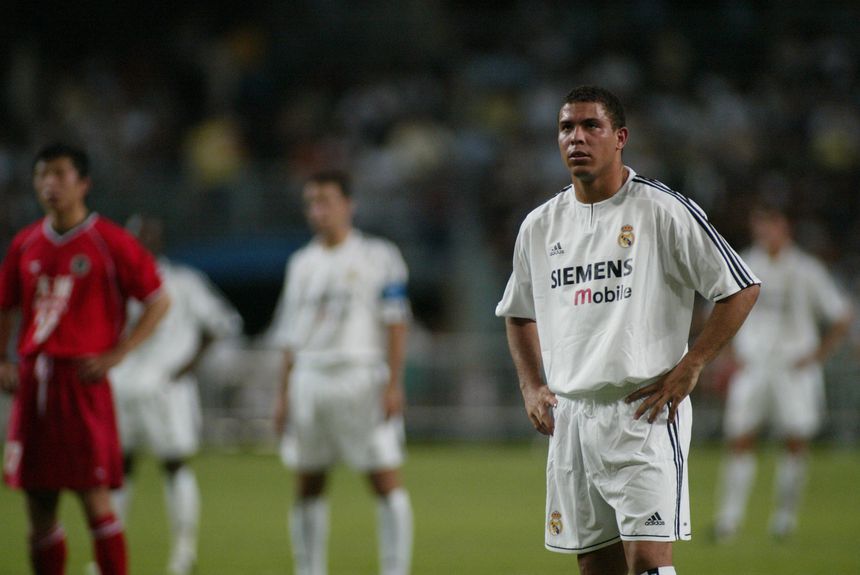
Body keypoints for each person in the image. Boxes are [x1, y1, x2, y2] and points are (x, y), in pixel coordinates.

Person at [495, 86, 760, 575]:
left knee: (649, 566)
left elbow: (740, 287)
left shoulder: (662, 210)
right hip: (573, 419)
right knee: (598, 569)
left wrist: (693, 363)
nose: (576, 137)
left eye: (590, 126)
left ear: (620, 138)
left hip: (645, 411)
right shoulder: (539, 225)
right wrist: (531, 385)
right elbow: (518, 311)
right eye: (566, 127)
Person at [0, 143, 170, 575]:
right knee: (38, 503)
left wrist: (119, 352)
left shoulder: (109, 241)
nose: (49, 184)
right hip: (34, 383)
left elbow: (157, 299)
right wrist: (2, 360)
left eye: (59, 174)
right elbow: (6, 305)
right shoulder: (26, 243)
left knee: (94, 497)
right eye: (42, 176)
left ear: (83, 183)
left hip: (81, 383)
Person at [270, 170, 413, 575]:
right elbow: (289, 336)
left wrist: (394, 383)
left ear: (349, 204)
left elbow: (396, 322)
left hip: (361, 374)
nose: (318, 210)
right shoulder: (301, 263)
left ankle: (395, 569)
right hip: (309, 379)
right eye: (312, 202)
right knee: (308, 482)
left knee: (384, 479)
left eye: (326, 200)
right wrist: (281, 395)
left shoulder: (379, 256)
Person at [108, 214, 243, 574]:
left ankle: (184, 553)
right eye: (134, 237)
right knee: (119, 468)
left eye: (146, 236)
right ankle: (109, 558)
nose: (139, 243)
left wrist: (185, 368)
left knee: (175, 464)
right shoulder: (114, 284)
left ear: (159, 241)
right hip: (121, 386)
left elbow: (223, 324)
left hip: (165, 388)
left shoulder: (183, 282)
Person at [712, 203, 852, 541]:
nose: (764, 233)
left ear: (784, 227)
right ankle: (728, 522)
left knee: (794, 442)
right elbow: (717, 309)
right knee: (740, 439)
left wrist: (817, 355)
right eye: (759, 226)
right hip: (754, 365)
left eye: (770, 225)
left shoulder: (807, 269)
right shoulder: (745, 262)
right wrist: (730, 351)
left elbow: (842, 315)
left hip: (793, 368)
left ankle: (784, 521)